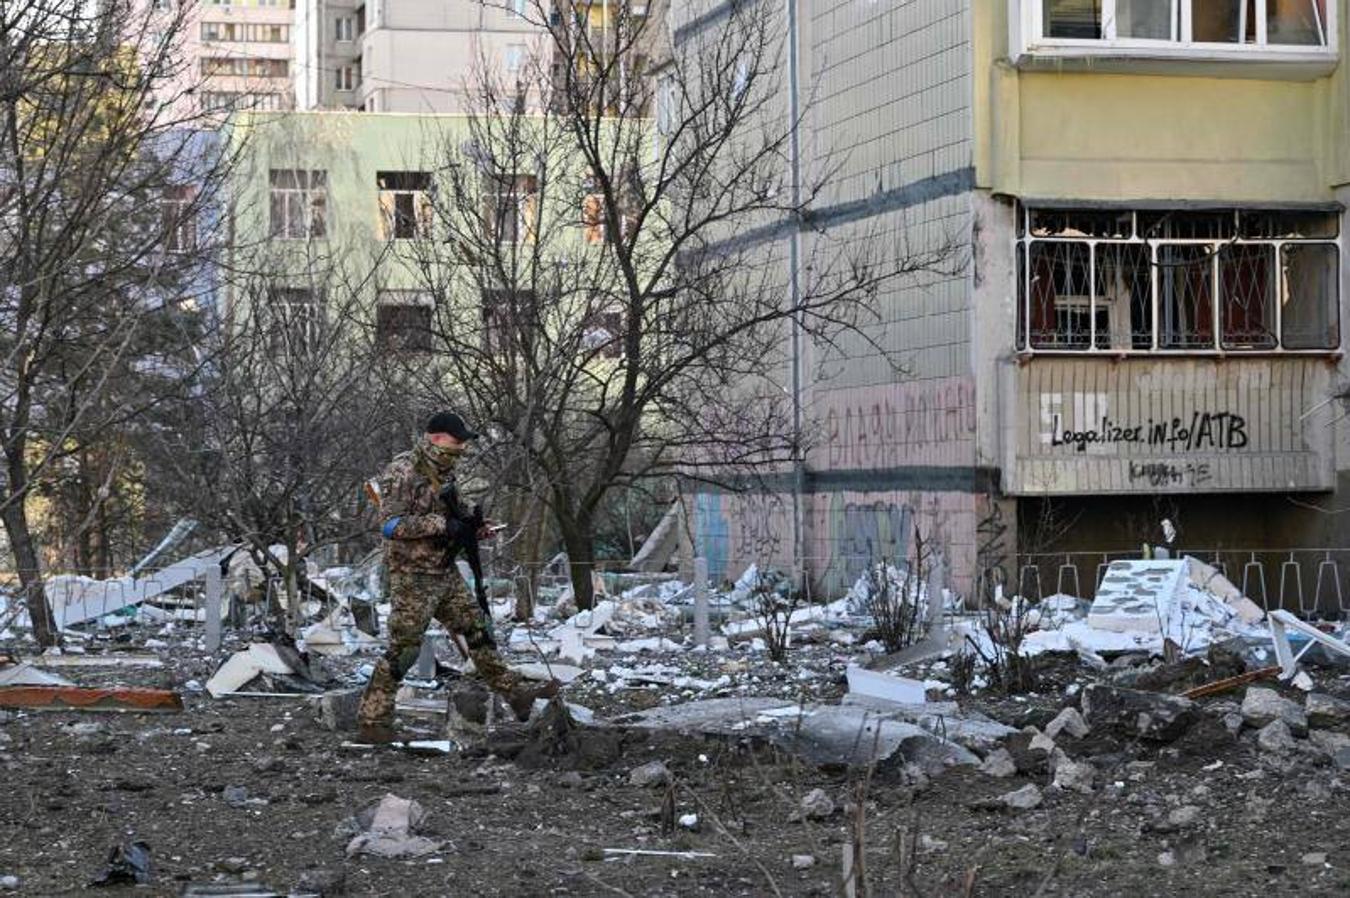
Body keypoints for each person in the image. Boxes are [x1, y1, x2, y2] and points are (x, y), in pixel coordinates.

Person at [357, 411, 556, 743]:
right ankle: (372, 722)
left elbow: (454, 517)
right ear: (436, 437)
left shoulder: (445, 472)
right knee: (404, 650)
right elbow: (390, 525)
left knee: (479, 631)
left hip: (444, 569)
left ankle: (516, 695)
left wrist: (473, 529)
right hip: (413, 576)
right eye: (456, 441)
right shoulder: (403, 470)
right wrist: (442, 525)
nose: (461, 447)